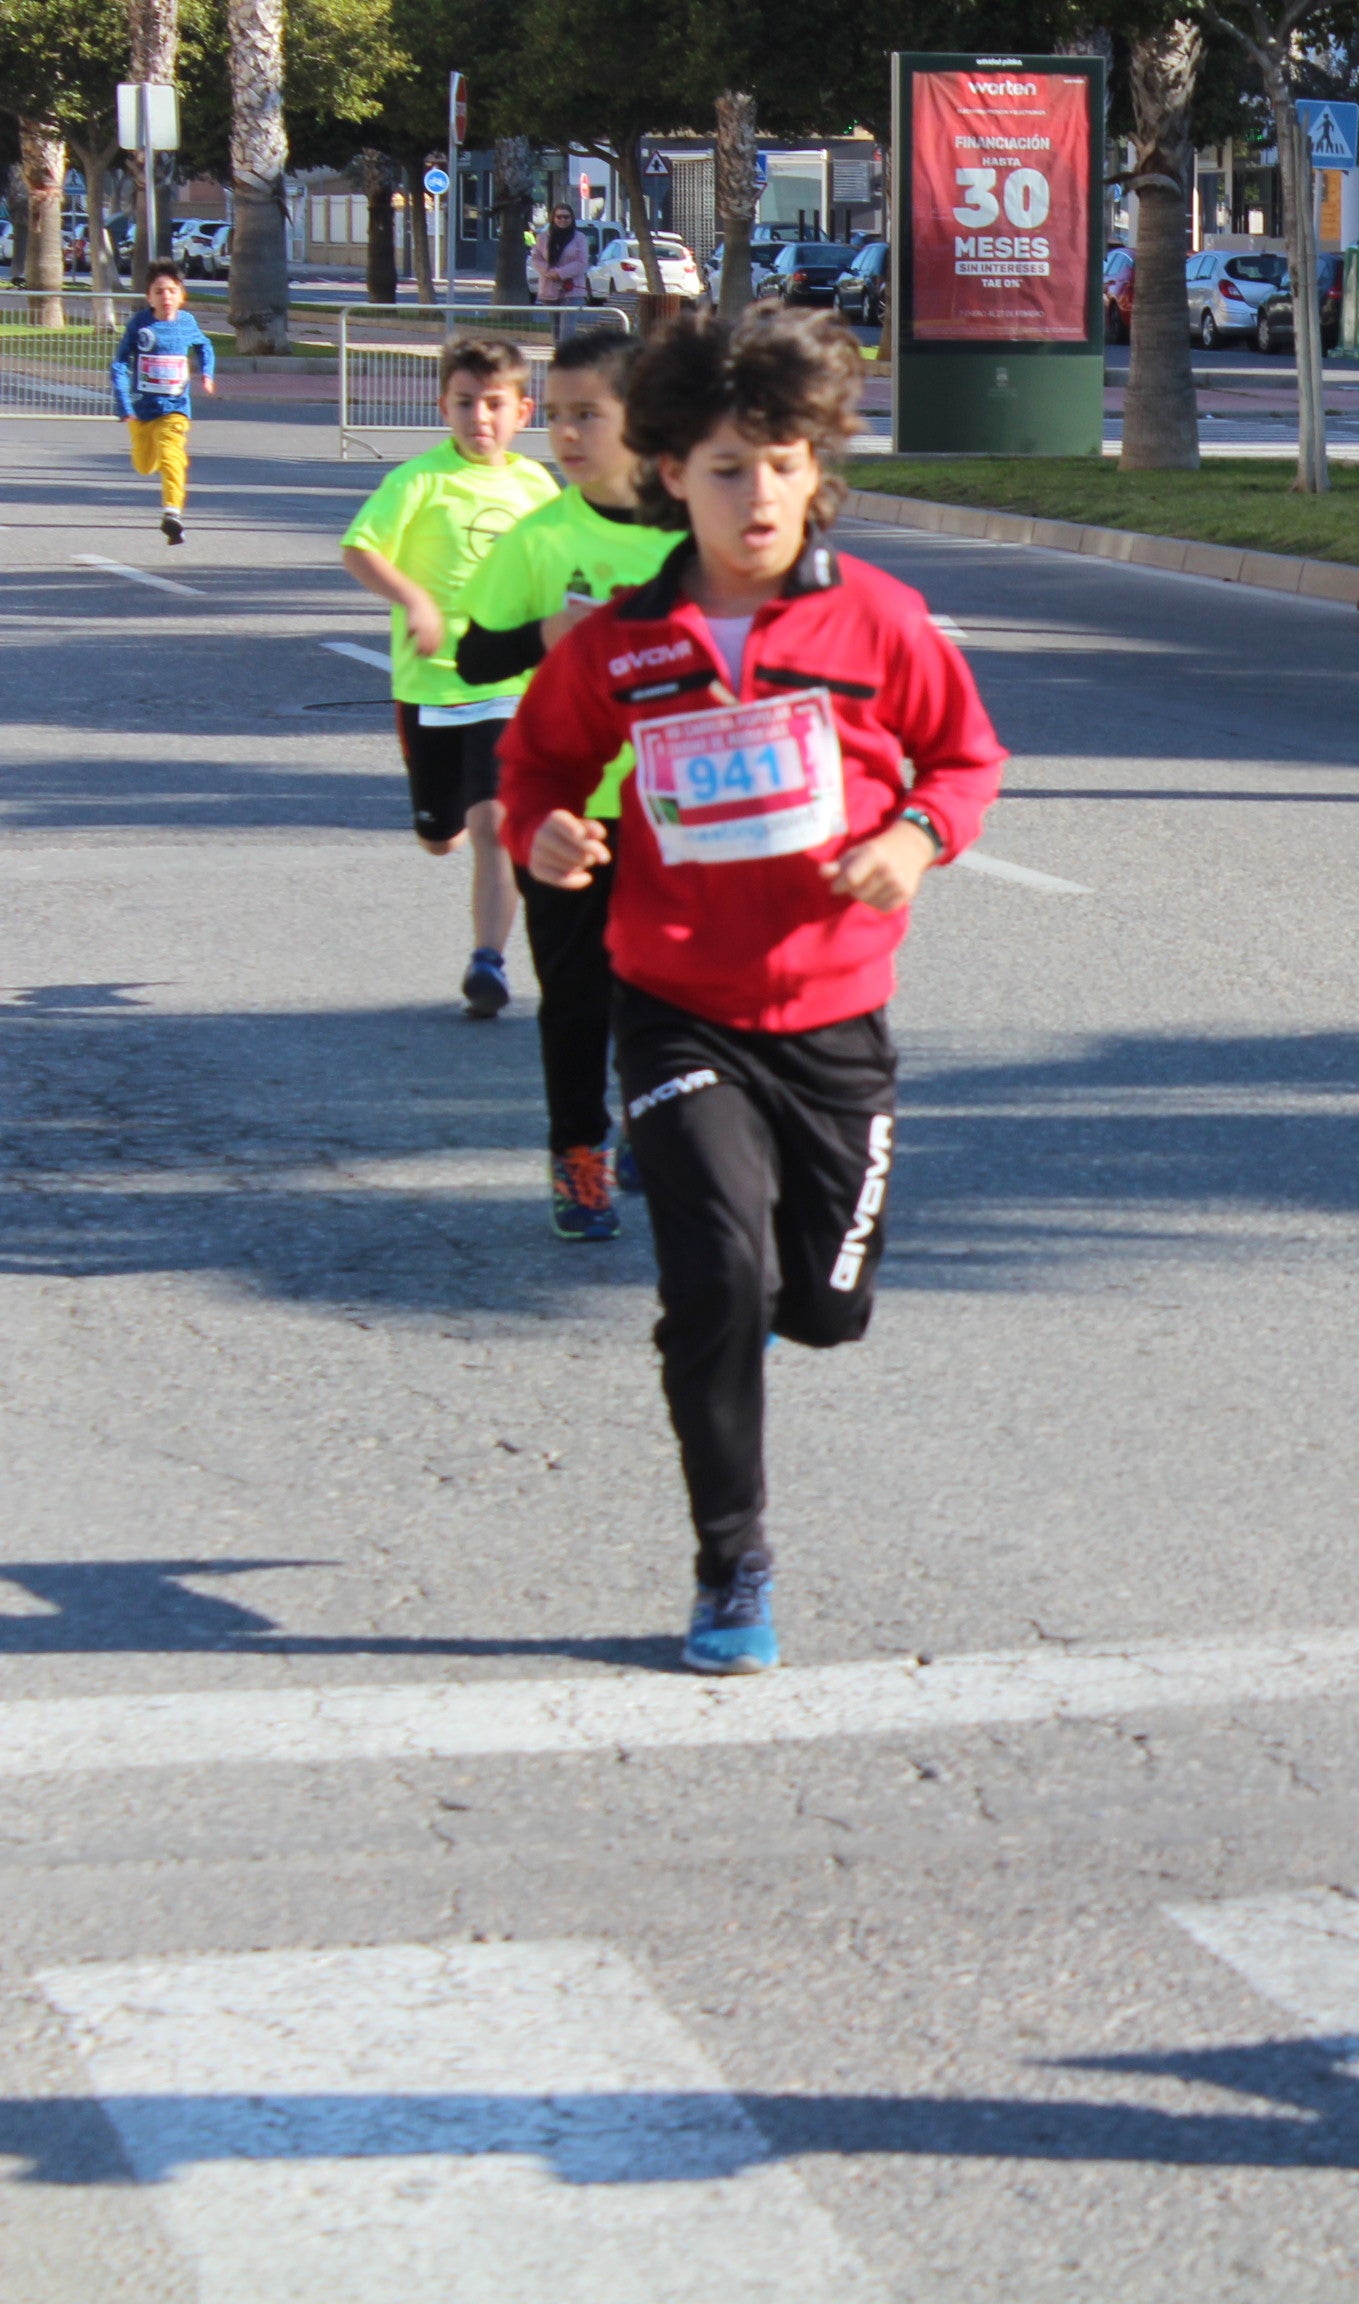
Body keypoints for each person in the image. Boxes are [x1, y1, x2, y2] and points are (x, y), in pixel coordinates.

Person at [499, 304, 1006, 1676]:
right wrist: (542, 835)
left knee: (825, 1306)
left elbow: (964, 758)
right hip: (676, 1003)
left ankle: (784, 1309)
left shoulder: (876, 620)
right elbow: (536, 771)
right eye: (728, 467)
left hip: (836, 1017)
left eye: (782, 462)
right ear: (672, 474)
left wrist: (914, 836)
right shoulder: (622, 643)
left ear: (818, 465)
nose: (759, 493)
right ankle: (733, 1563)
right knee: (714, 1277)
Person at [455, 326, 678, 1244]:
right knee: (578, 998)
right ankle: (578, 1159)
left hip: (685, 811)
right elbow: (474, 658)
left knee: (666, 992)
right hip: (568, 815)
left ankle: (649, 1119)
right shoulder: (542, 538)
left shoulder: (695, 525)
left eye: (591, 413)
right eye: (557, 415)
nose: (569, 434)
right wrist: (547, 636)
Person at [340, 336, 558, 1020]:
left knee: (498, 822)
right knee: (441, 837)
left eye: (494, 404)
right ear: (444, 407)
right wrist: (415, 599)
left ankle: (487, 960)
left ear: (523, 410)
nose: (479, 418)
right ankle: (447, 819)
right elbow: (358, 549)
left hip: (508, 686)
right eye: (465, 404)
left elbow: (557, 571)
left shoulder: (536, 486)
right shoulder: (416, 481)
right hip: (430, 688)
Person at [109, 261, 217, 547]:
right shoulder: (140, 325)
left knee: (171, 453)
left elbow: (204, 346)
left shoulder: (187, 323)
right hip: (142, 410)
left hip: (175, 408)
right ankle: (160, 459)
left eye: (172, 290)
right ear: (149, 297)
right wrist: (124, 405)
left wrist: (207, 373)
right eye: (159, 291)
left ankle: (172, 512)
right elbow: (119, 364)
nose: (166, 296)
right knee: (144, 465)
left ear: (181, 295)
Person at [536, 205, 593, 308]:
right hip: (549, 289)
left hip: (573, 290)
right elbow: (537, 259)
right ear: (553, 218)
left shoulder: (579, 238)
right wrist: (550, 272)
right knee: (554, 324)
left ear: (571, 219)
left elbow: (582, 262)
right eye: (559, 217)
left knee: (567, 324)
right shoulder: (543, 237)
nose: (562, 220)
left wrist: (560, 273)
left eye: (566, 217)